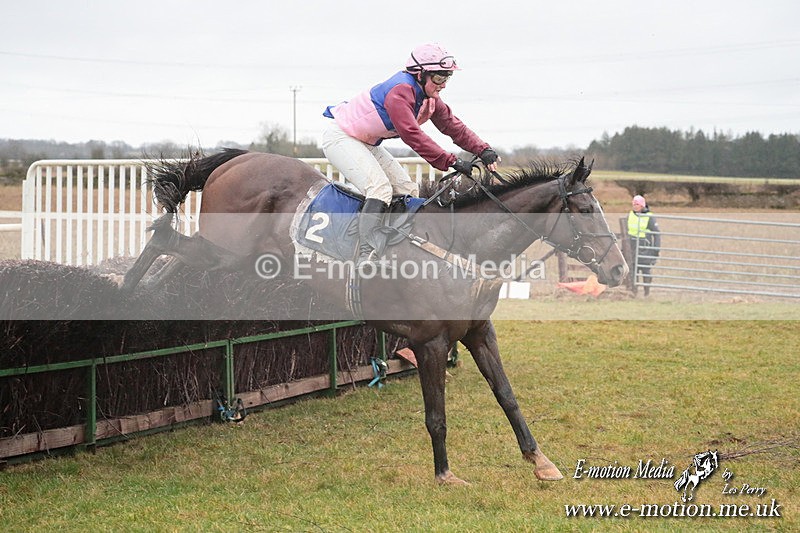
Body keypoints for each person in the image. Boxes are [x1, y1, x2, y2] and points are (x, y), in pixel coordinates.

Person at [322, 42, 500, 266]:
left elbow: (452, 126)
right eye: (438, 77)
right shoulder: (400, 91)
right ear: (420, 74)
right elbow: (411, 135)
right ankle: (365, 253)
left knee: (408, 190)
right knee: (379, 188)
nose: (443, 84)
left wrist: (482, 149)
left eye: (447, 77)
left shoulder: (428, 97)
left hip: (366, 141)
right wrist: (452, 161)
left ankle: (392, 247)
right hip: (341, 138)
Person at [627, 194, 661, 296]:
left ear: (642, 205)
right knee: (633, 272)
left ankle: (647, 292)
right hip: (632, 247)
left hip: (645, 248)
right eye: (633, 204)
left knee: (645, 271)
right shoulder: (630, 215)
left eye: (636, 204)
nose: (634, 206)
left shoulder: (649, 217)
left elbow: (656, 234)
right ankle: (634, 292)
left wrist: (656, 250)